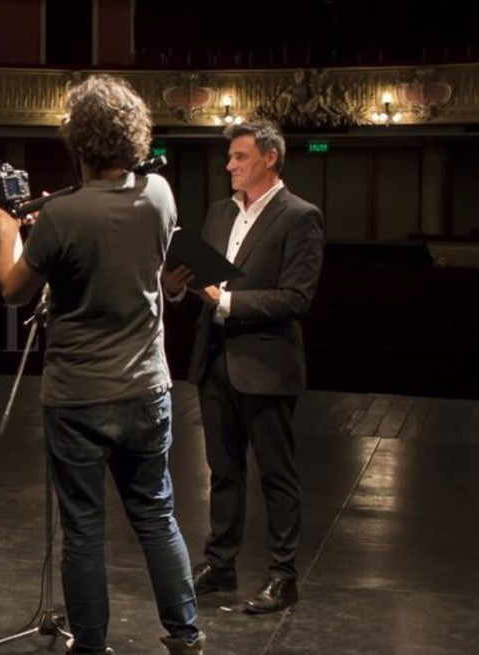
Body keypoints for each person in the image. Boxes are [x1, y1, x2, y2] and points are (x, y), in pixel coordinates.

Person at [0, 76, 203, 655]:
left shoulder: (60, 216)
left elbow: (12, 289)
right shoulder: (160, 194)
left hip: (79, 394)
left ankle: (91, 646)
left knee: (84, 529)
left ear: (76, 140)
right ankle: (185, 636)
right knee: (158, 515)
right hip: (147, 387)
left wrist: (8, 230)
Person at [162, 120, 324, 614]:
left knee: (276, 474)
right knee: (223, 471)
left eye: (240, 157)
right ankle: (221, 564)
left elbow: (297, 297)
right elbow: (198, 286)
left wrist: (226, 301)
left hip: (266, 362)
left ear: (270, 158)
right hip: (215, 361)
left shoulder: (301, 216)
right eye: (230, 158)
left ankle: (283, 574)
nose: (230, 166)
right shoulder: (217, 213)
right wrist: (174, 285)